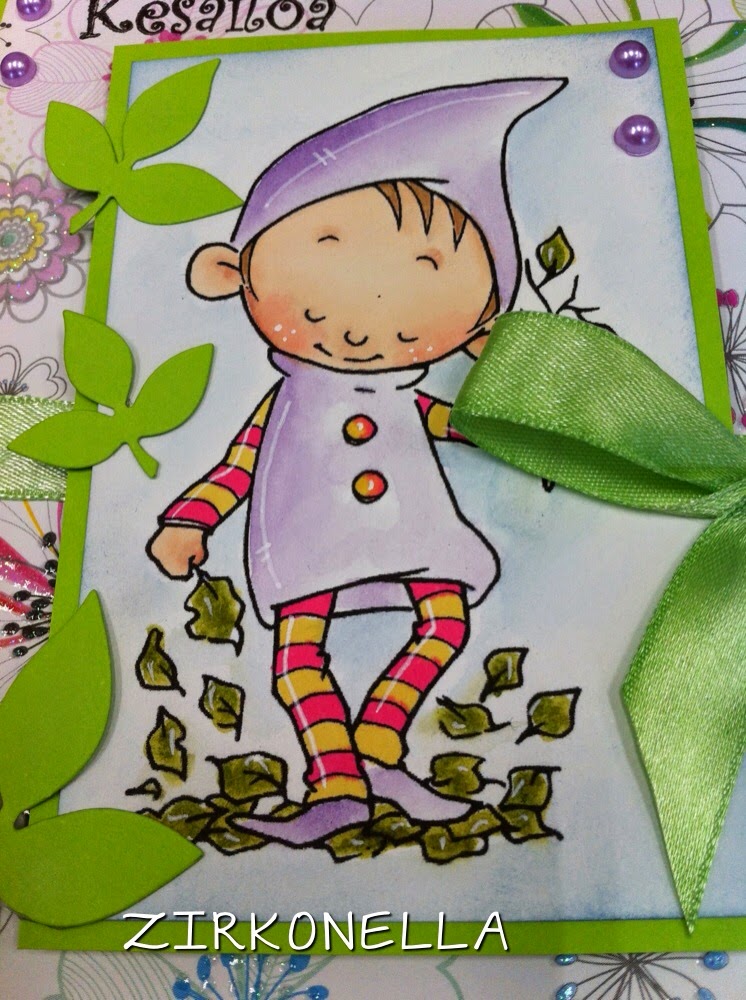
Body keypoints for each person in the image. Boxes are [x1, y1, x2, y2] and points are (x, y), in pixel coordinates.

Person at [147, 78, 566, 846]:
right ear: (228, 273)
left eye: (421, 288)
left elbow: (451, 423)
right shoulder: (290, 401)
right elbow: (239, 465)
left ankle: (376, 749)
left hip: (413, 525)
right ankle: (334, 785)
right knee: (298, 655)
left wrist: (514, 432)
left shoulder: (408, 396)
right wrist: (188, 522)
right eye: (324, 277)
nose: (367, 319)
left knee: (445, 618)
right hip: (306, 530)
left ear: (478, 327)